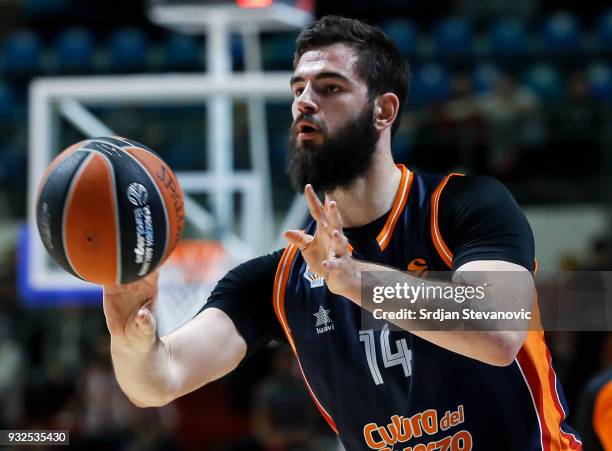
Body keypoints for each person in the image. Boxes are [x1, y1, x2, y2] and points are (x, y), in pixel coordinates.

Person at [103, 16, 582, 450]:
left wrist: (352, 280)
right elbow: (158, 381)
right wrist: (129, 340)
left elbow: (497, 330)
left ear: (383, 111)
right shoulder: (275, 282)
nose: (305, 102)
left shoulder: (464, 205)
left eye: (330, 87)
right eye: (298, 90)